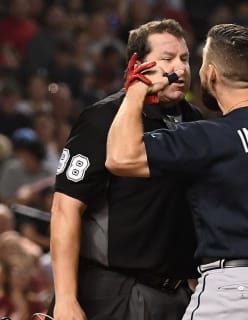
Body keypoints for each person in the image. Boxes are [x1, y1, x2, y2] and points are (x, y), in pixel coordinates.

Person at [106, 23, 248, 320]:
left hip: (236, 286)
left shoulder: (212, 135)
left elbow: (120, 158)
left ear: (211, 73)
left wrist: (137, 89)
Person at [49, 19, 202, 320]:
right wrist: (66, 298)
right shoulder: (102, 117)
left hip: (176, 293)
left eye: (185, 58)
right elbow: (64, 209)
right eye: (168, 59)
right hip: (114, 289)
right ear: (139, 65)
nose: (181, 68)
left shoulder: (193, 119)